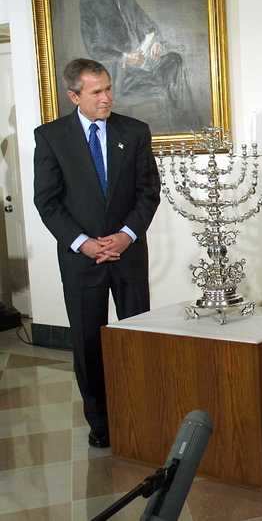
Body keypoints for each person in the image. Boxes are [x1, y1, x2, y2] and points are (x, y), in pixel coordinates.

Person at [33, 58, 161, 448]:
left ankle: (143, 409)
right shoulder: (51, 136)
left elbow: (148, 192)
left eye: (108, 88)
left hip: (128, 256)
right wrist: (83, 243)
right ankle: (101, 421)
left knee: (137, 336)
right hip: (80, 261)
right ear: (74, 95)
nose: (107, 97)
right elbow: (47, 201)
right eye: (97, 92)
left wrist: (125, 235)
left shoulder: (135, 131)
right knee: (88, 343)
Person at [79, 0, 200, 130]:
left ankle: (187, 124)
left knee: (174, 60)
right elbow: (93, 48)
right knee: (162, 92)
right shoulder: (89, 1)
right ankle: (175, 127)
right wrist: (124, 57)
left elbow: (147, 25)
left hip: (142, 64)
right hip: (118, 72)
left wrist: (156, 41)